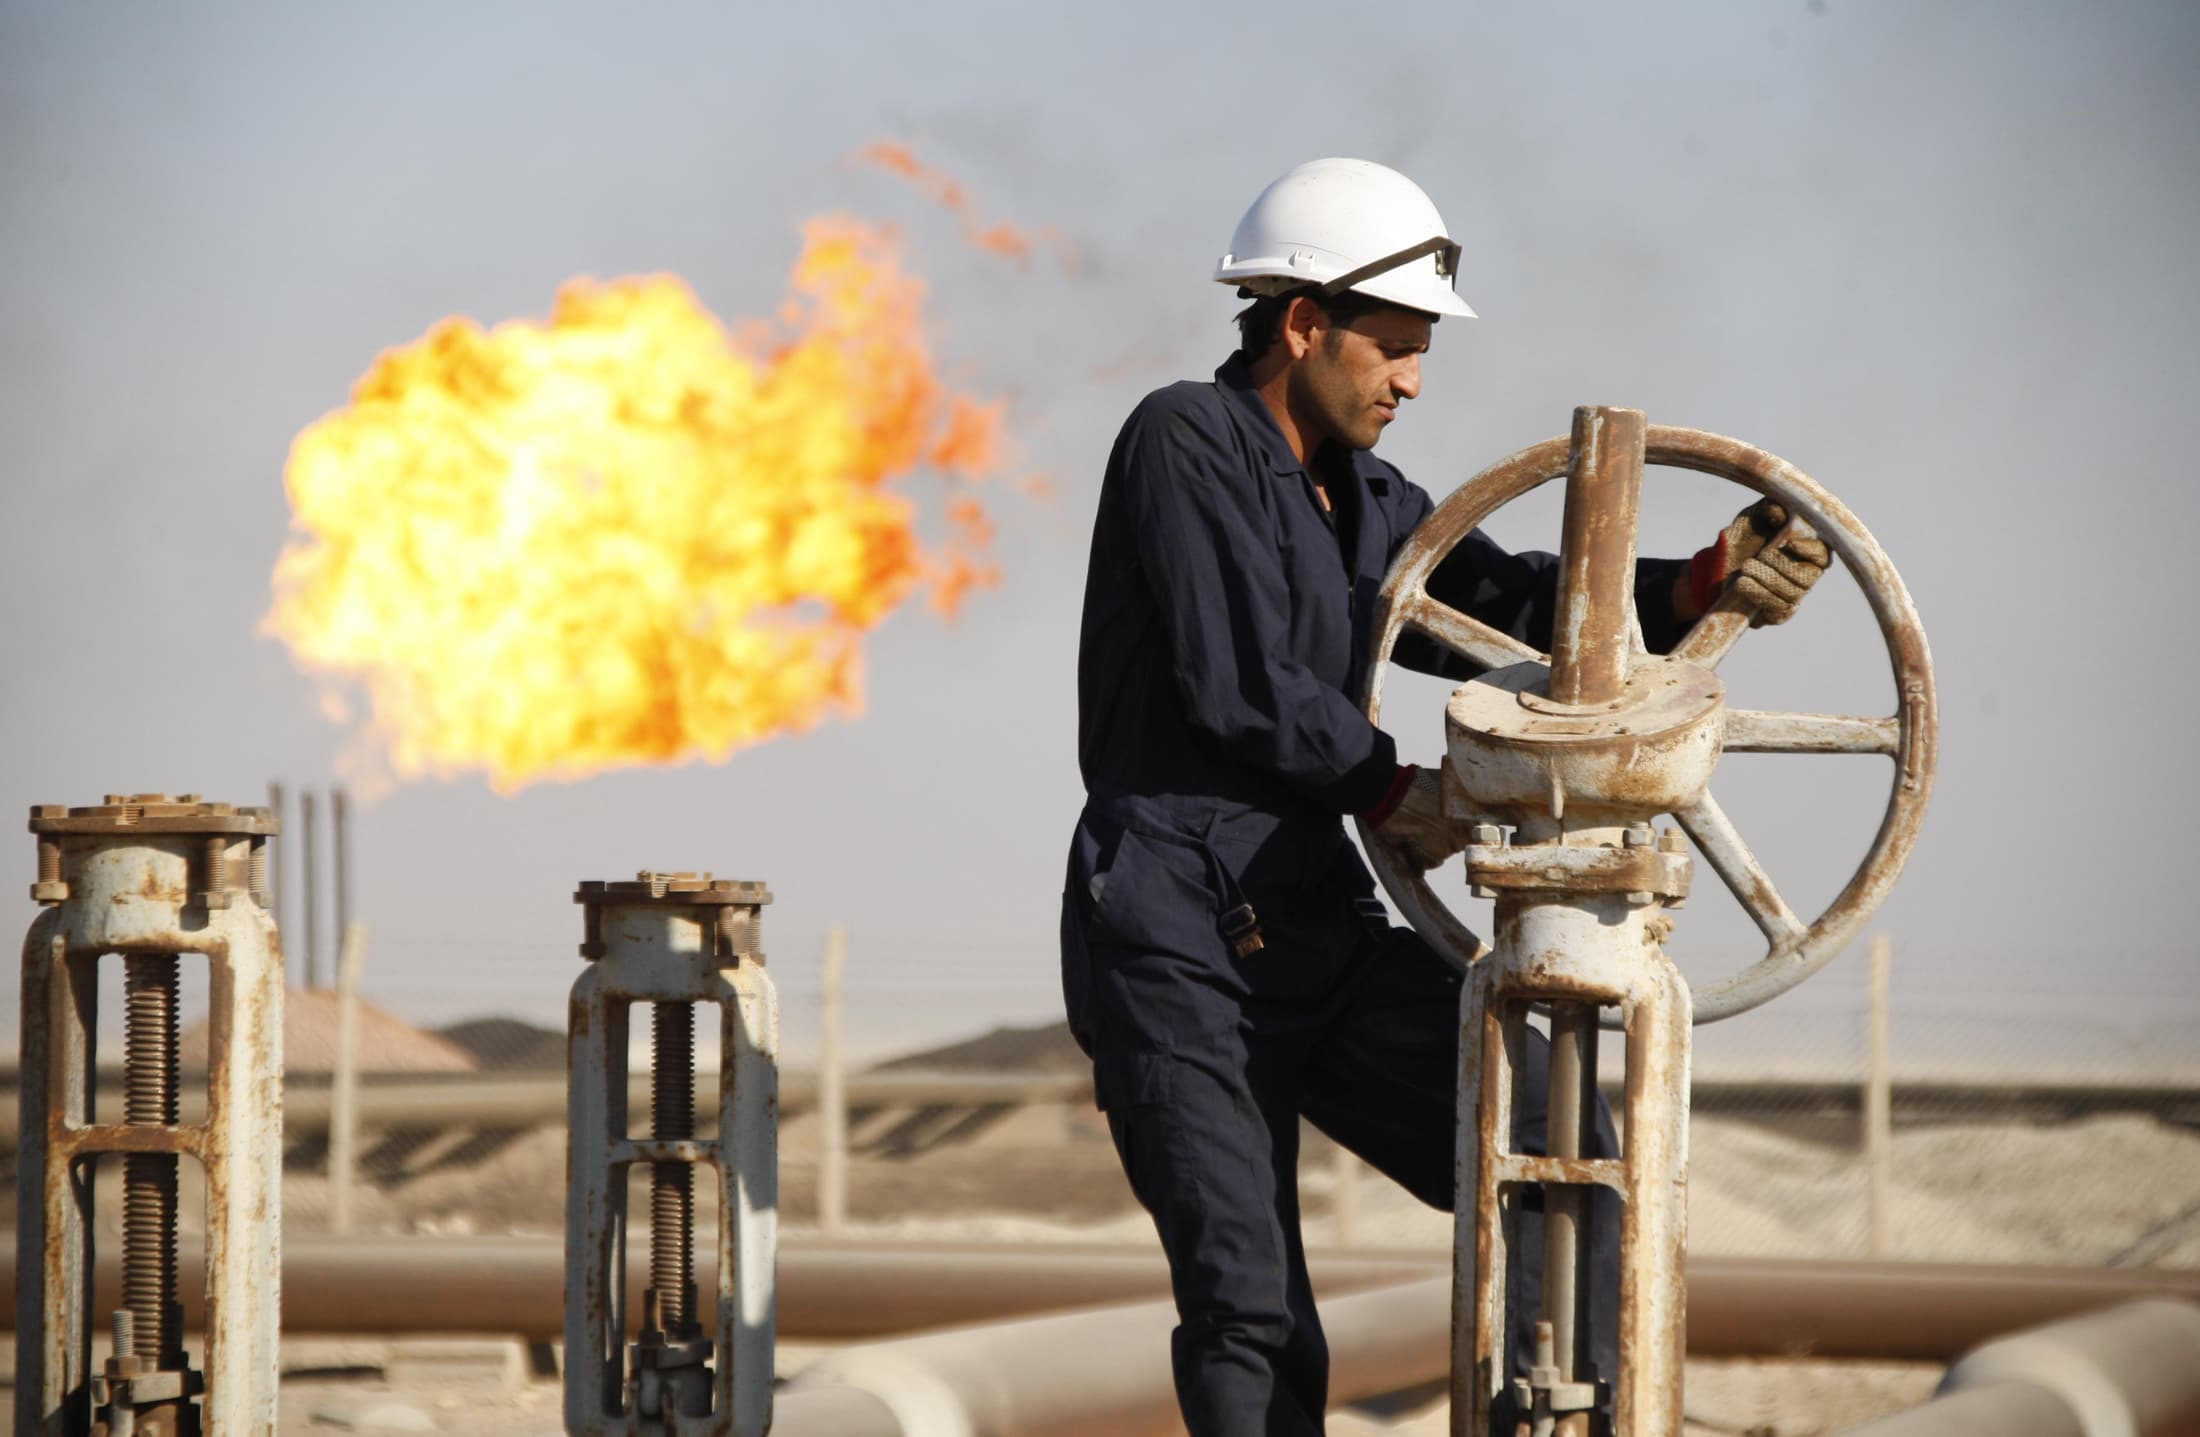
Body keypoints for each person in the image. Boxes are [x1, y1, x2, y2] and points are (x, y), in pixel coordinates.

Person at [1059, 157, 1829, 1436]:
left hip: (1309, 908)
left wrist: (1695, 587)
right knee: (1250, 1312)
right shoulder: (1182, 441)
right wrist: (1393, 787)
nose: (1412, 381)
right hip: (1173, 931)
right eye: (1393, 350)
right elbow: (1238, 681)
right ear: (1303, 323)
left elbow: (1507, 608)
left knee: (1550, 1153)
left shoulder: (1365, 499)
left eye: (1420, 353)